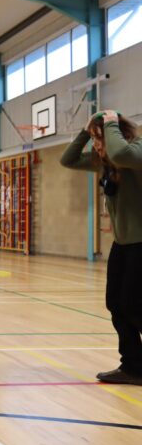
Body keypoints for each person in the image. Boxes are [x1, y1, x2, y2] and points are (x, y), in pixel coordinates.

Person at [60, 110, 142, 385]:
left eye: (100, 138)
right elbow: (68, 159)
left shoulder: (136, 149)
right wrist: (85, 132)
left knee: (134, 305)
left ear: (116, 132)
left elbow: (121, 154)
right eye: (94, 140)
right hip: (123, 244)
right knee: (116, 304)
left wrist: (109, 122)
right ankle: (133, 367)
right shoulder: (105, 161)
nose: (96, 145)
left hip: (141, 244)